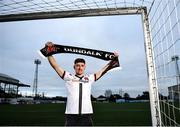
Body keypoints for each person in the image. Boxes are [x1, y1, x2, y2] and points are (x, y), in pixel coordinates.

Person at [46, 42, 119, 126]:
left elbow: (103, 70)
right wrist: (48, 50)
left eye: (82, 65)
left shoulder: (90, 78)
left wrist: (114, 59)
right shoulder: (68, 77)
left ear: (85, 67)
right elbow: (55, 66)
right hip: (71, 116)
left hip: (86, 116)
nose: (80, 67)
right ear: (74, 67)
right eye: (77, 65)